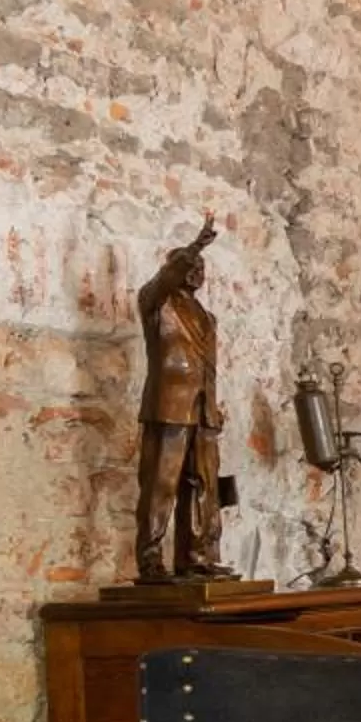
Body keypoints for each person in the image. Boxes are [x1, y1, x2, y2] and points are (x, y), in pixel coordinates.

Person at [133, 219, 232, 582]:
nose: (196, 271)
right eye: (190, 265)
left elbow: (208, 369)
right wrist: (195, 246)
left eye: (201, 267)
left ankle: (196, 557)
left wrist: (214, 410)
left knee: (202, 486)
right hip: (169, 406)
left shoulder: (207, 317)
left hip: (203, 411)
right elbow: (165, 278)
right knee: (161, 485)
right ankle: (150, 560)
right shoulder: (156, 303)